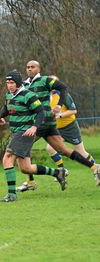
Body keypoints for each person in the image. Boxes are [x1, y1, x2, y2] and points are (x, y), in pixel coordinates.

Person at [17, 60, 100, 192]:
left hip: (63, 125)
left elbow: (68, 100)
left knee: (22, 147)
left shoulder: (48, 84)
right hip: (47, 124)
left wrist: (58, 108)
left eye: (32, 67)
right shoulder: (26, 85)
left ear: (39, 69)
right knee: (58, 149)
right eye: (27, 67)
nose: (29, 69)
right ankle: (92, 168)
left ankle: (37, 179)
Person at [0, 70, 67, 202]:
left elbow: (40, 112)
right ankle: (58, 173)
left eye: (12, 82)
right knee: (25, 168)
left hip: (24, 132)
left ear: (17, 82)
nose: (9, 85)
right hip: (17, 131)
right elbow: (7, 108)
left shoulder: (29, 95)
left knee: (7, 159)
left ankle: (12, 195)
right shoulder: (9, 95)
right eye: (7, 83)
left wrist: (34, 127)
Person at [46, 76, 96, 182]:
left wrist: (59, 115)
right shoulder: (45, 97)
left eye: (54, 82)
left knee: (81, 152)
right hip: (57, 129)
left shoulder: (64, 95)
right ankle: (62, 171)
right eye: (50, 82)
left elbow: (73, 111)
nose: (52, 84)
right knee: (50, 148)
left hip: (70, 127)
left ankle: (96, 169)